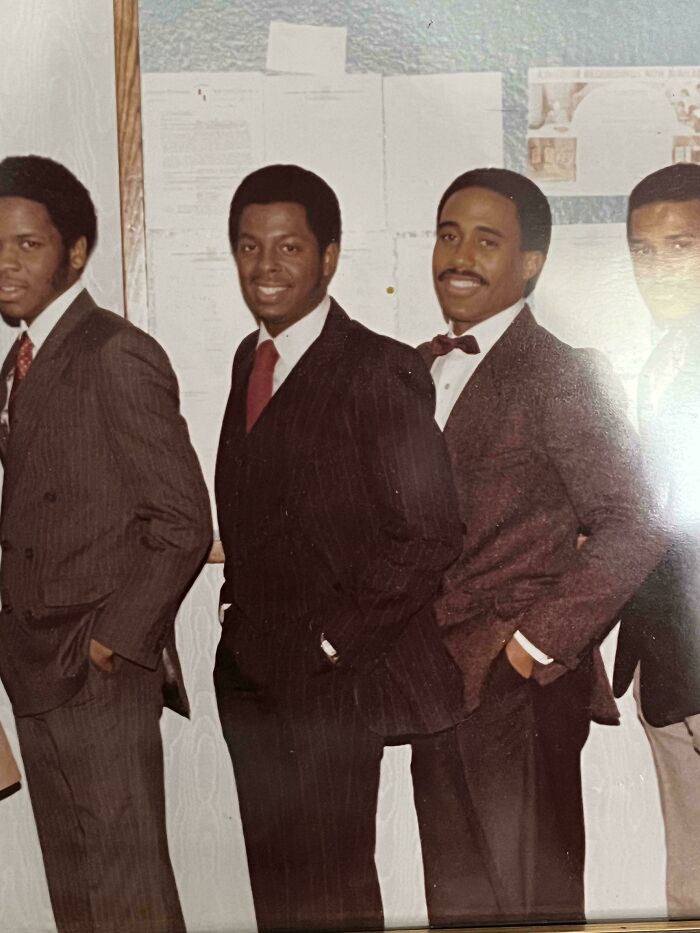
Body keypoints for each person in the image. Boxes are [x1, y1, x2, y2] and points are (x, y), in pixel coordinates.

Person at [213, 163, 474, 932]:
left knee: (332, 891)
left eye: (290, 247)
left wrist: (333, 645)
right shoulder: (247, 358)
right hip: (251, 681)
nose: (266, 267)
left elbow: (430, 535)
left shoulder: (378, 367)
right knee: (277, 892)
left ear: (329, 256)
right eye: (250, 247)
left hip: (331, 689)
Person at [409, 167, 665, 926]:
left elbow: (635, 520)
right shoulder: (414, 370)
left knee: (532, 909)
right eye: (449, 235)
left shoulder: (562, 371)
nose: (461, 256)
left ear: (530, 264)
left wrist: (528, 645)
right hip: (431, 684)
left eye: (489, 241)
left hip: (515, 691)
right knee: (456, 907)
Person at [0, 155, 212, 933]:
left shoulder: (113, 351)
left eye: (27, 244)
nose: (5, 263)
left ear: (77, 251)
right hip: (34, 664)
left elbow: (185, 520)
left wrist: (113, 643)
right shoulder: (19, 363)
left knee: (128, 894)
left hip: (95, 670)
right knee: (76, 893)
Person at [613, 162, 700, 918]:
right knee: (689, 887)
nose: (659, 267)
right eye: (643, 250)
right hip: (671, 669)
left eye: (681, 246)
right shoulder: (661, 357)